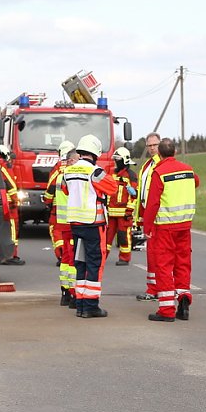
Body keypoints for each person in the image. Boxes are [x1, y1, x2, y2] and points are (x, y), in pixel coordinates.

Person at [61, 134, 119, 318]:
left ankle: (80, 304)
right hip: (94, 224)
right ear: (95, 153)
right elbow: (113, 188)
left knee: (80, 263)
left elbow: (65, 189)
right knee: (94, 264)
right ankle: (91, 305)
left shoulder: (68, 171)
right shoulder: (95, 171)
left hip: (75, 225)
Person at [141, 138, 199, 322]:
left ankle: (166, 310)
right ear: (174, 152)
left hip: (165, 227)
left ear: (160, 153)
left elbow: (153, 203)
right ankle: (183, 299)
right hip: (185, 225)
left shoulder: (159, 172)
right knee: (183, 263)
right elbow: (196, 182)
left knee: (164, 266)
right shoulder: (188, 169)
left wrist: (147, 226)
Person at [42, 140, 76, 305]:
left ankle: (65, 293)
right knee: (75, 261)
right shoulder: (78, 175)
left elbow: (50, 191)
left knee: (66, 260)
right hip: (76, 223)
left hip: (61, 220)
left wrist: (47, 203)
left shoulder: (59, 173)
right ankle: (74, 294)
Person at [134, 132, 162, 301]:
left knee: (159, 255)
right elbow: (141, 194)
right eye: (149, 145)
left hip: (160, 215)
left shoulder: (162, 164)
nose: (152, 148)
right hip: (148, 213)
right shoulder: (146, 166)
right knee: (151, 254)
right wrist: (140, 216)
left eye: (155, 145)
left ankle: (159, 288)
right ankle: (153, 288)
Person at [106, 147, 138, 266]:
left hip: (124, 214)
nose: (116, 162)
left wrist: (129, 211)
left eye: (118, 159)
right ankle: (102, 256)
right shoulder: (112, 173)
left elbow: (134, 195)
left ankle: (124, 258)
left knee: (123, 236)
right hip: (111, 212)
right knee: (107, 237)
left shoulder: (131, 175)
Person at [0, 145, 24, 265]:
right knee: (12, 229)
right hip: (8, 204)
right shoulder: (3, 164)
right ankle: (10, 255)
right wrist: (15, 199)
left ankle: (3, 254)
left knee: (1, 229)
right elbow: (10, 183)